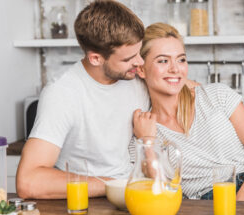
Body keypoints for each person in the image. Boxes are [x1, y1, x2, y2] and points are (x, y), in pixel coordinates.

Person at [131, 23, 244, 201]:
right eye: (163, 61)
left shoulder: (216, 96)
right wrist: (148, 143)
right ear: (141, 69)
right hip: (207, 203)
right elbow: (163, 195)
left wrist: (241, 201)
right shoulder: (144, 131)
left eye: (181, 59)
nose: (175, 68)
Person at [16, 0, 150, 199]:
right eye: (127, 58)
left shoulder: (135, 75)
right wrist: (113, 185)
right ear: (95, 58)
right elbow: (28, 181)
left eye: (138, 52)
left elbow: (183, 85)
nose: (139, 62)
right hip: (88, 199)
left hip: (136, 192)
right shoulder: (62, 93)